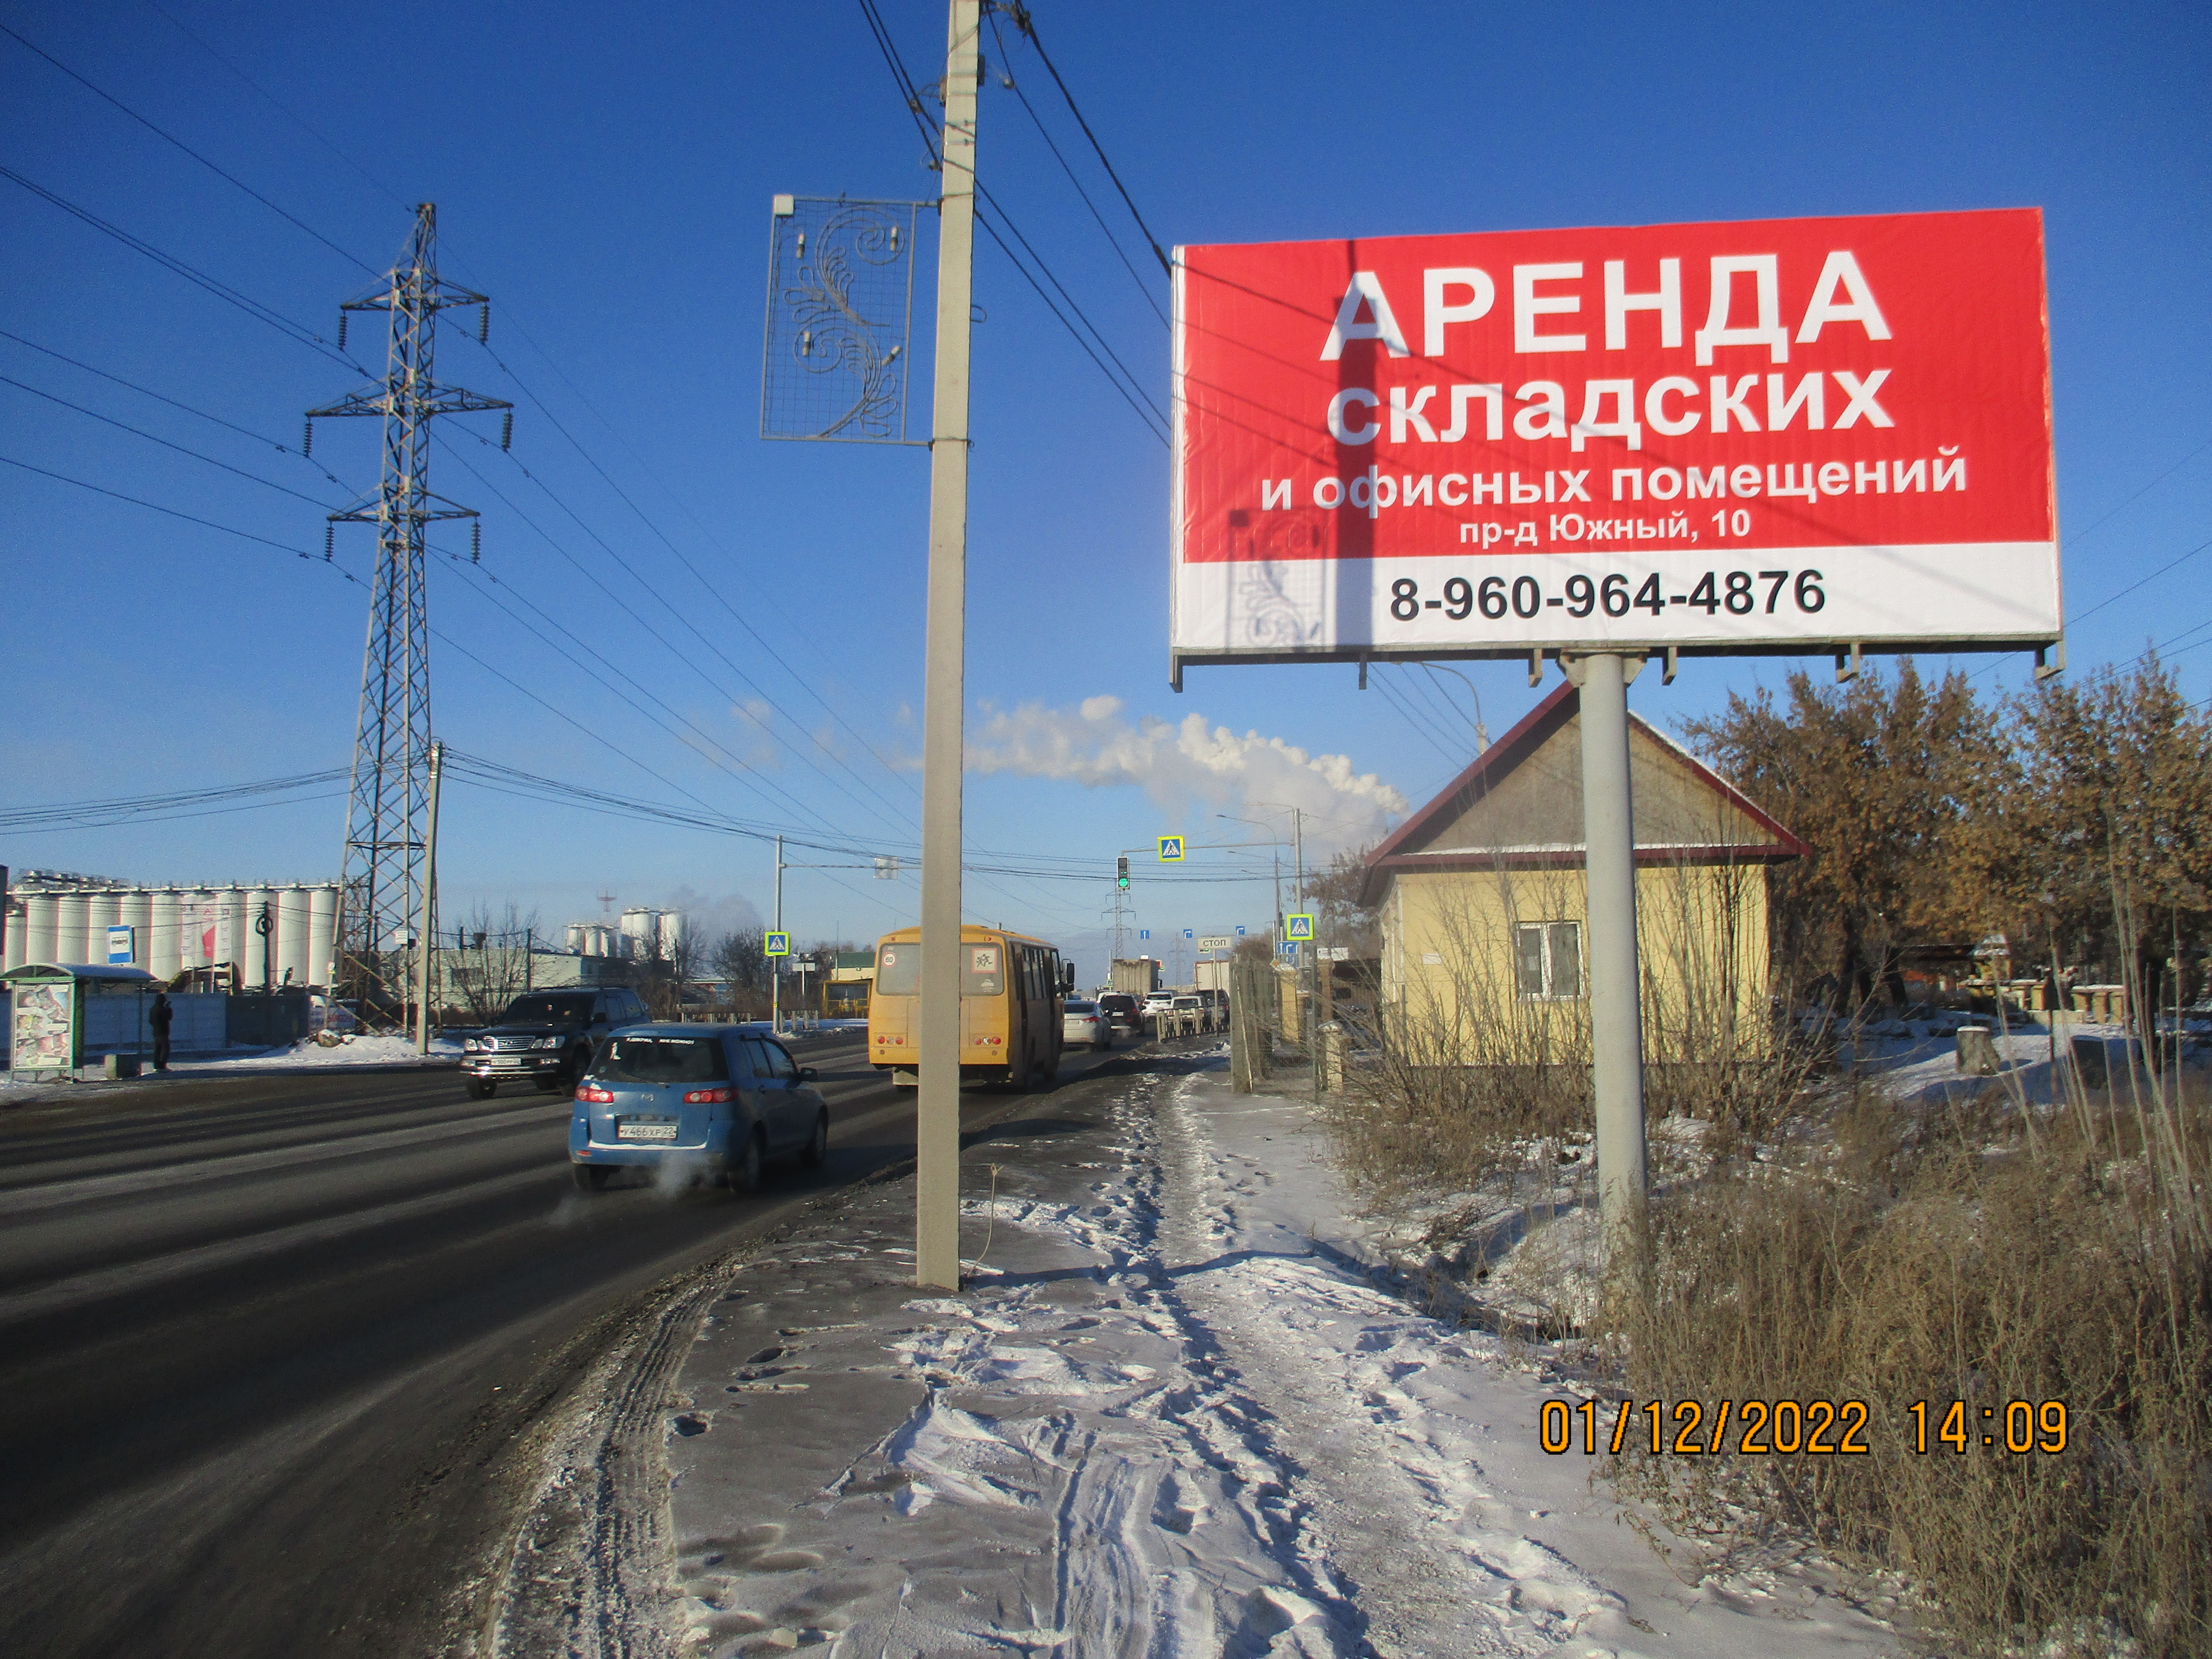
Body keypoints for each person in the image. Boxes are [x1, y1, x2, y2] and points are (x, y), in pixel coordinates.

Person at [149, 990, 174, 1073]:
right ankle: (162, 1065)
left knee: (158, 1049)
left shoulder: (153, 1009)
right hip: (163, 1031)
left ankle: (157, 1065)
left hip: (156, 1032)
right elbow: (169, 1017)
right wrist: (169, 1009)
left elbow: (151, 1021)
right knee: (165, 1048)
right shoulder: (162, 1009)